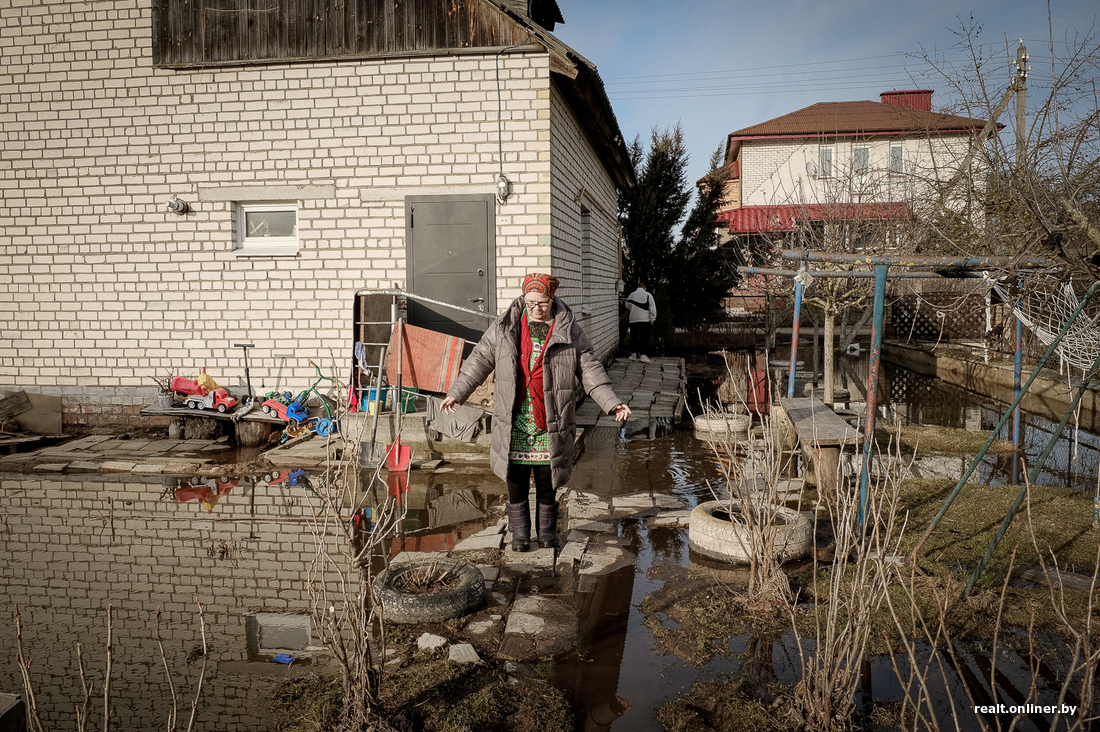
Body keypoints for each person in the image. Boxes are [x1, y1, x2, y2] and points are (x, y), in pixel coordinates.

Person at [440, 273, 632, 552]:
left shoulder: (569, 329)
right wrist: (456, 392)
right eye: (530, 303)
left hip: (551, 419)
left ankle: (546, 534)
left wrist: (612, 402)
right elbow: (479, 360)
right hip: (514, 418)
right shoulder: (505, 327)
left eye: (542, 302)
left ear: (552, 299)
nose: (536, 309)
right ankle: (520, 535)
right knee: (515, 480)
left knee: (547, 479)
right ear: (523, 299)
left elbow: (590, 370)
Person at [624, 282, 657, 362]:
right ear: (644, 288)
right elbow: (652, 308)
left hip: (633, 319)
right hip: (645, 320)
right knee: (644, 337)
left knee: (634, 336)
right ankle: (643, 355)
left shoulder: (631, 295)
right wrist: (652, 318)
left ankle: (633, 354)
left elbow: (627, 306)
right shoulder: (648, 295)